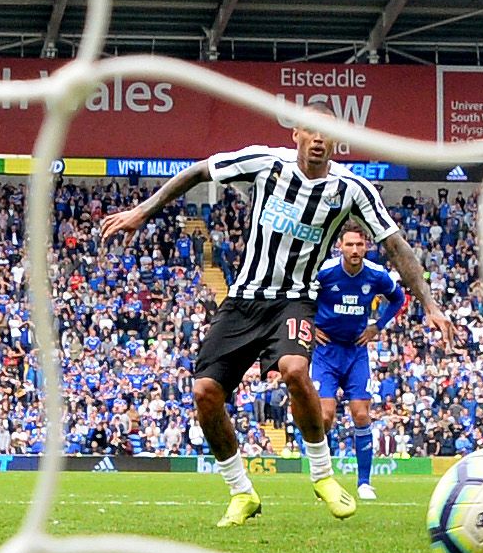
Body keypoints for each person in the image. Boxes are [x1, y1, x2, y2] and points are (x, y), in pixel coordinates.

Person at [99, 124, 457, 526]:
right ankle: (241, 492)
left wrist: (430, 304)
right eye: (311, 131)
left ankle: (322, 476)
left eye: (327, 133)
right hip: (244, 299)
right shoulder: (266, 163)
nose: (319, 139)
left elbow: (394, 243)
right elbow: (200, 170)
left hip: (295, 299)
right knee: (204, 392)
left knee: (295, 369)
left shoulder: (351, 189)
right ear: (296, 134)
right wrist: (142, 211)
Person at [310, 226, 405, 501]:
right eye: (349, 244)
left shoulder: (376, 274)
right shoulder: (325, 272)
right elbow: (300, 296)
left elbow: (398, 298)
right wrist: (310, 325)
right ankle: (322, 478)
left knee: (361, 415)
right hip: (326, 352)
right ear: (340, 246)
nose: (354, 250)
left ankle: (364, 483)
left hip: (356, 351)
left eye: (359, 245)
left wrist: (378, 326)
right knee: (325, 416)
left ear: (367, 247)